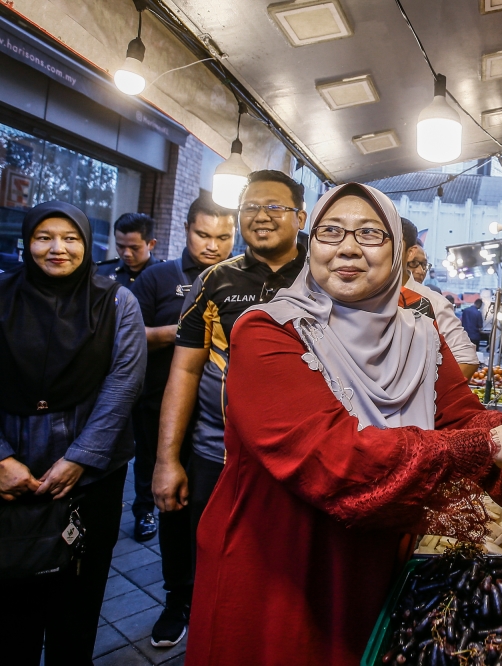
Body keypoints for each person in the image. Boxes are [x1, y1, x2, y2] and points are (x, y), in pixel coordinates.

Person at [185, 183, 502, 664]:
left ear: (397, 252)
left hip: (373, 563)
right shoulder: (266, 331)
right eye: (330, 232)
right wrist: (484, 447)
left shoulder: (419, 334)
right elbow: (331, 457)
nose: (348, 246)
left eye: (370, 233)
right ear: (311, 245)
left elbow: (459, 419)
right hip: (281, 565)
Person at [152, 170, 307, 647]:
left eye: (275, 207)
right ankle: (193, 619)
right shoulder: (213, 280)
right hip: (215, 452)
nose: (261, 216)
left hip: (301, 456)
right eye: (251, 207)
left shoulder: (323, 276)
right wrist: (165, 460)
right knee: (206, 555)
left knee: (282, 568)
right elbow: (184, 371)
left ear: (301, 217)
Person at [0, 201, 146, 663]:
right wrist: (0, 459)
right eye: (44, 237)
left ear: (86, 243)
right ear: (27, 242)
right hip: (9, 478)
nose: (57, 248)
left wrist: (81, 456)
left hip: (91, 479)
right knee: (10, 614)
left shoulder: (117, 301)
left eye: (71, 238)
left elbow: (124, 381)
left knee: (76, 611)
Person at [131, 195, 236, 646]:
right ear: (186, 229)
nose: (212, 245)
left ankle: (220, 603)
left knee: (222, 522)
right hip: (164, 414)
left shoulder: (240, 282)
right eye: (203, 235)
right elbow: (126, 338)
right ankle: (176, 601)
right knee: (174, 512)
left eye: (223, 237)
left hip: (222, 426)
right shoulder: (158, 278)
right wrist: (189, 331)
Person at [401, 218, 479, 379]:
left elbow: (466, 360)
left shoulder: (431, 302)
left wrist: (427, 398)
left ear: (408, 252)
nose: (421, 271)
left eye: (423, 264)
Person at [96, 212, 161, 287]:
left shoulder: (165, 275)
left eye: (134, 248)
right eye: (121, 246)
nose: (127, 253)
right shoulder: (101, 272)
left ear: (151, 244)